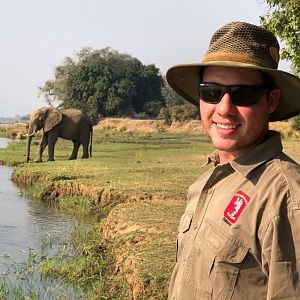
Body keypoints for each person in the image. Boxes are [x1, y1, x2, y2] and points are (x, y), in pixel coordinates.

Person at [166, 21, 300, 299]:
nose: (224, 109)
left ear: (271, 101)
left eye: (243, 95)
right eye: (211, 92)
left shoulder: (285, 199)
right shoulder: (207, 181)